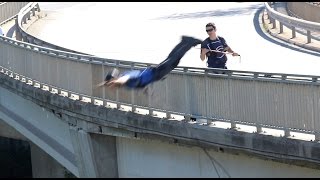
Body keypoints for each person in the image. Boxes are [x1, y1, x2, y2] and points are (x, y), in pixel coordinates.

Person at [98, 36, 202, 89]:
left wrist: (114, 82)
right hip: (155, 73)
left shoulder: (125, 78)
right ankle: (184, 41)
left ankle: (189, 42)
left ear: (114, 79)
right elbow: (140, 82)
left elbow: (123, 80)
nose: (112, 87)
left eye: (111, 84)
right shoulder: (125, 79)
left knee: (175, 58)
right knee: (173, 58)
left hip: (156, 73)